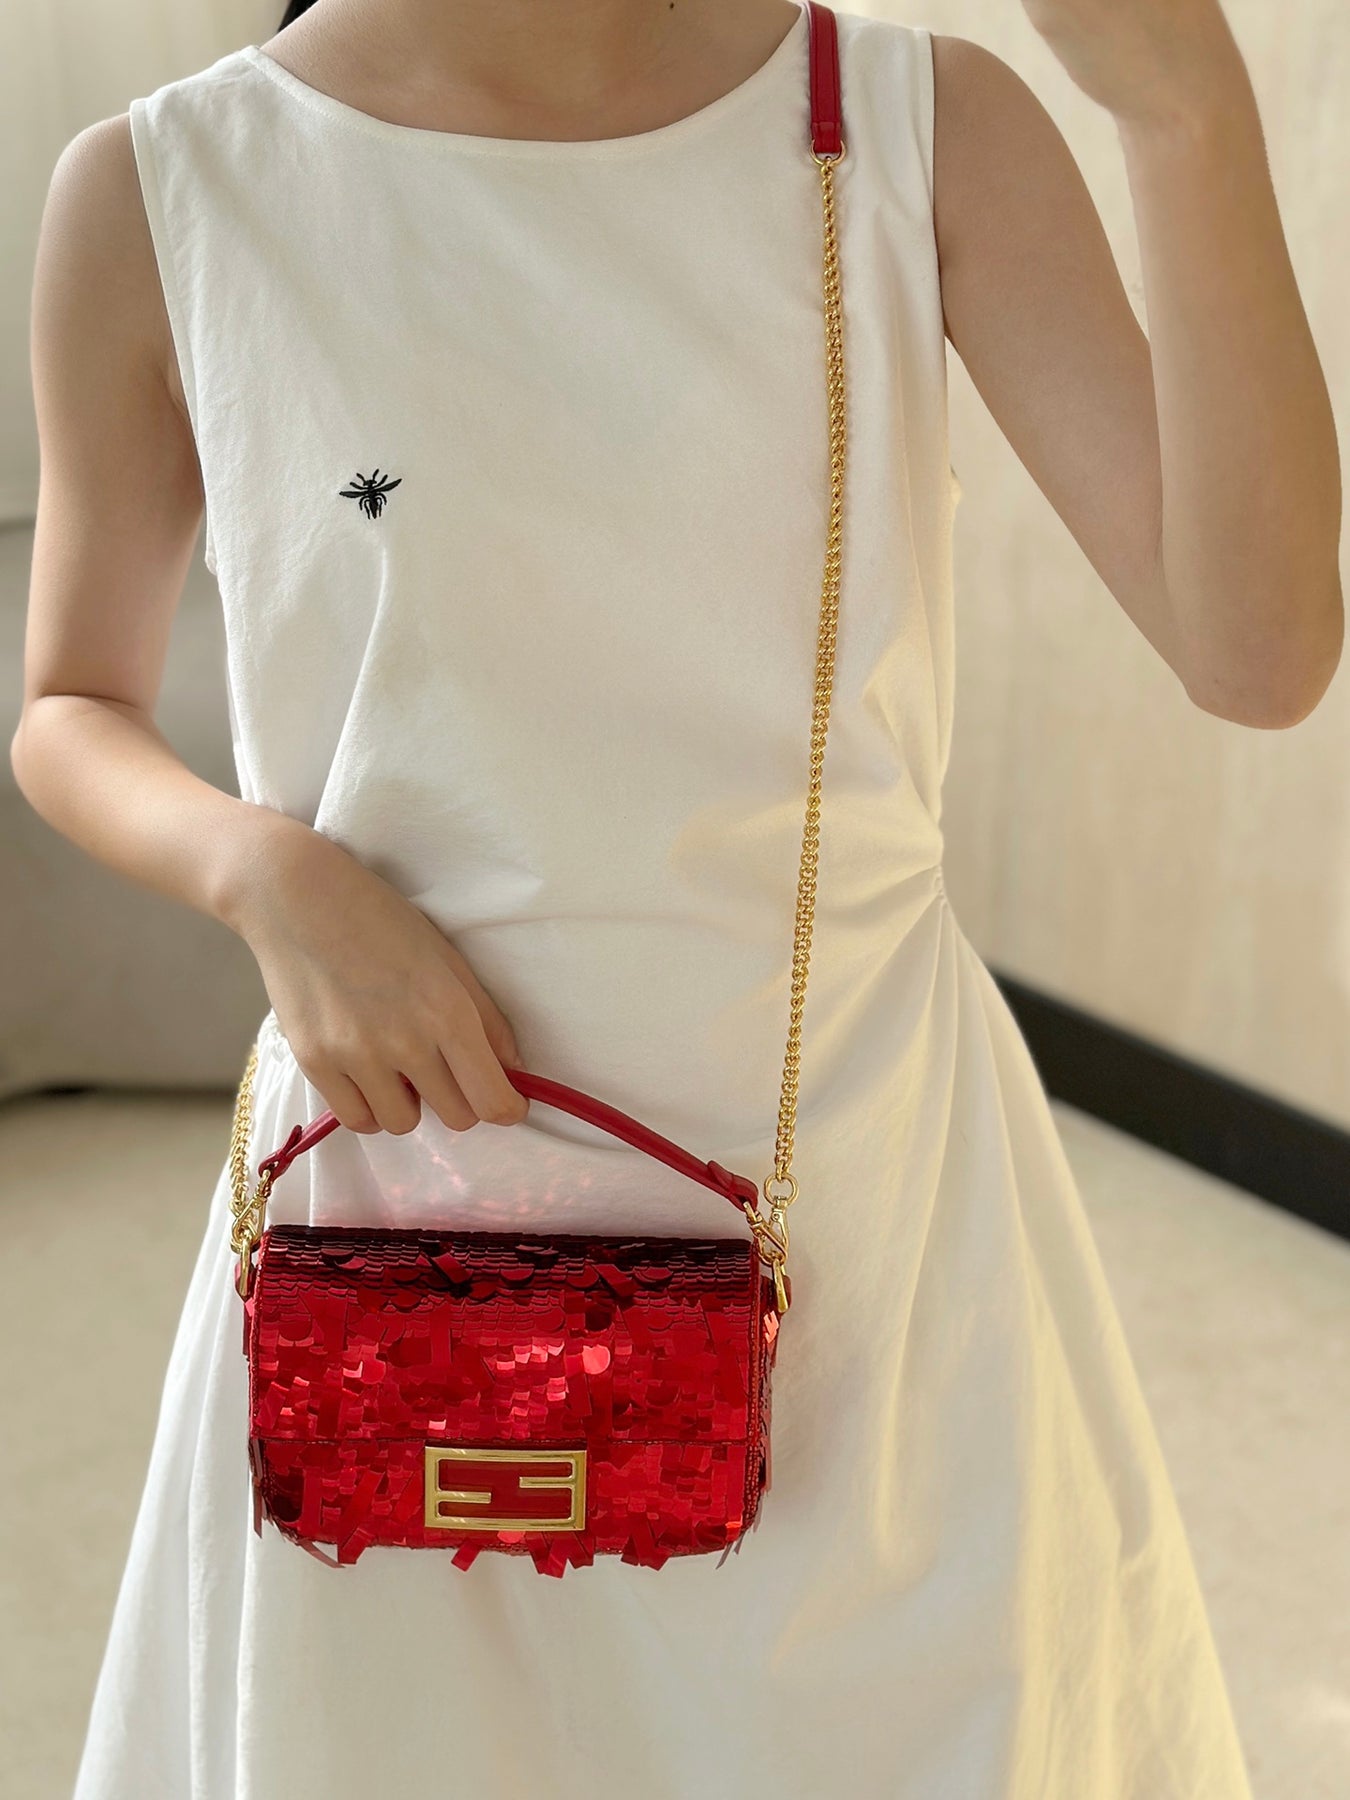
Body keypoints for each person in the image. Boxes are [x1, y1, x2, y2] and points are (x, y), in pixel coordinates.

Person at [16, 0, 1339, 1794]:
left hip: (861, 1192)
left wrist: (1179, 107)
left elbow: (1257, 652)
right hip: (399, 1206)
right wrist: (263, 870)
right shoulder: (167, 184)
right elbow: (69, 704)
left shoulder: (910, 123)